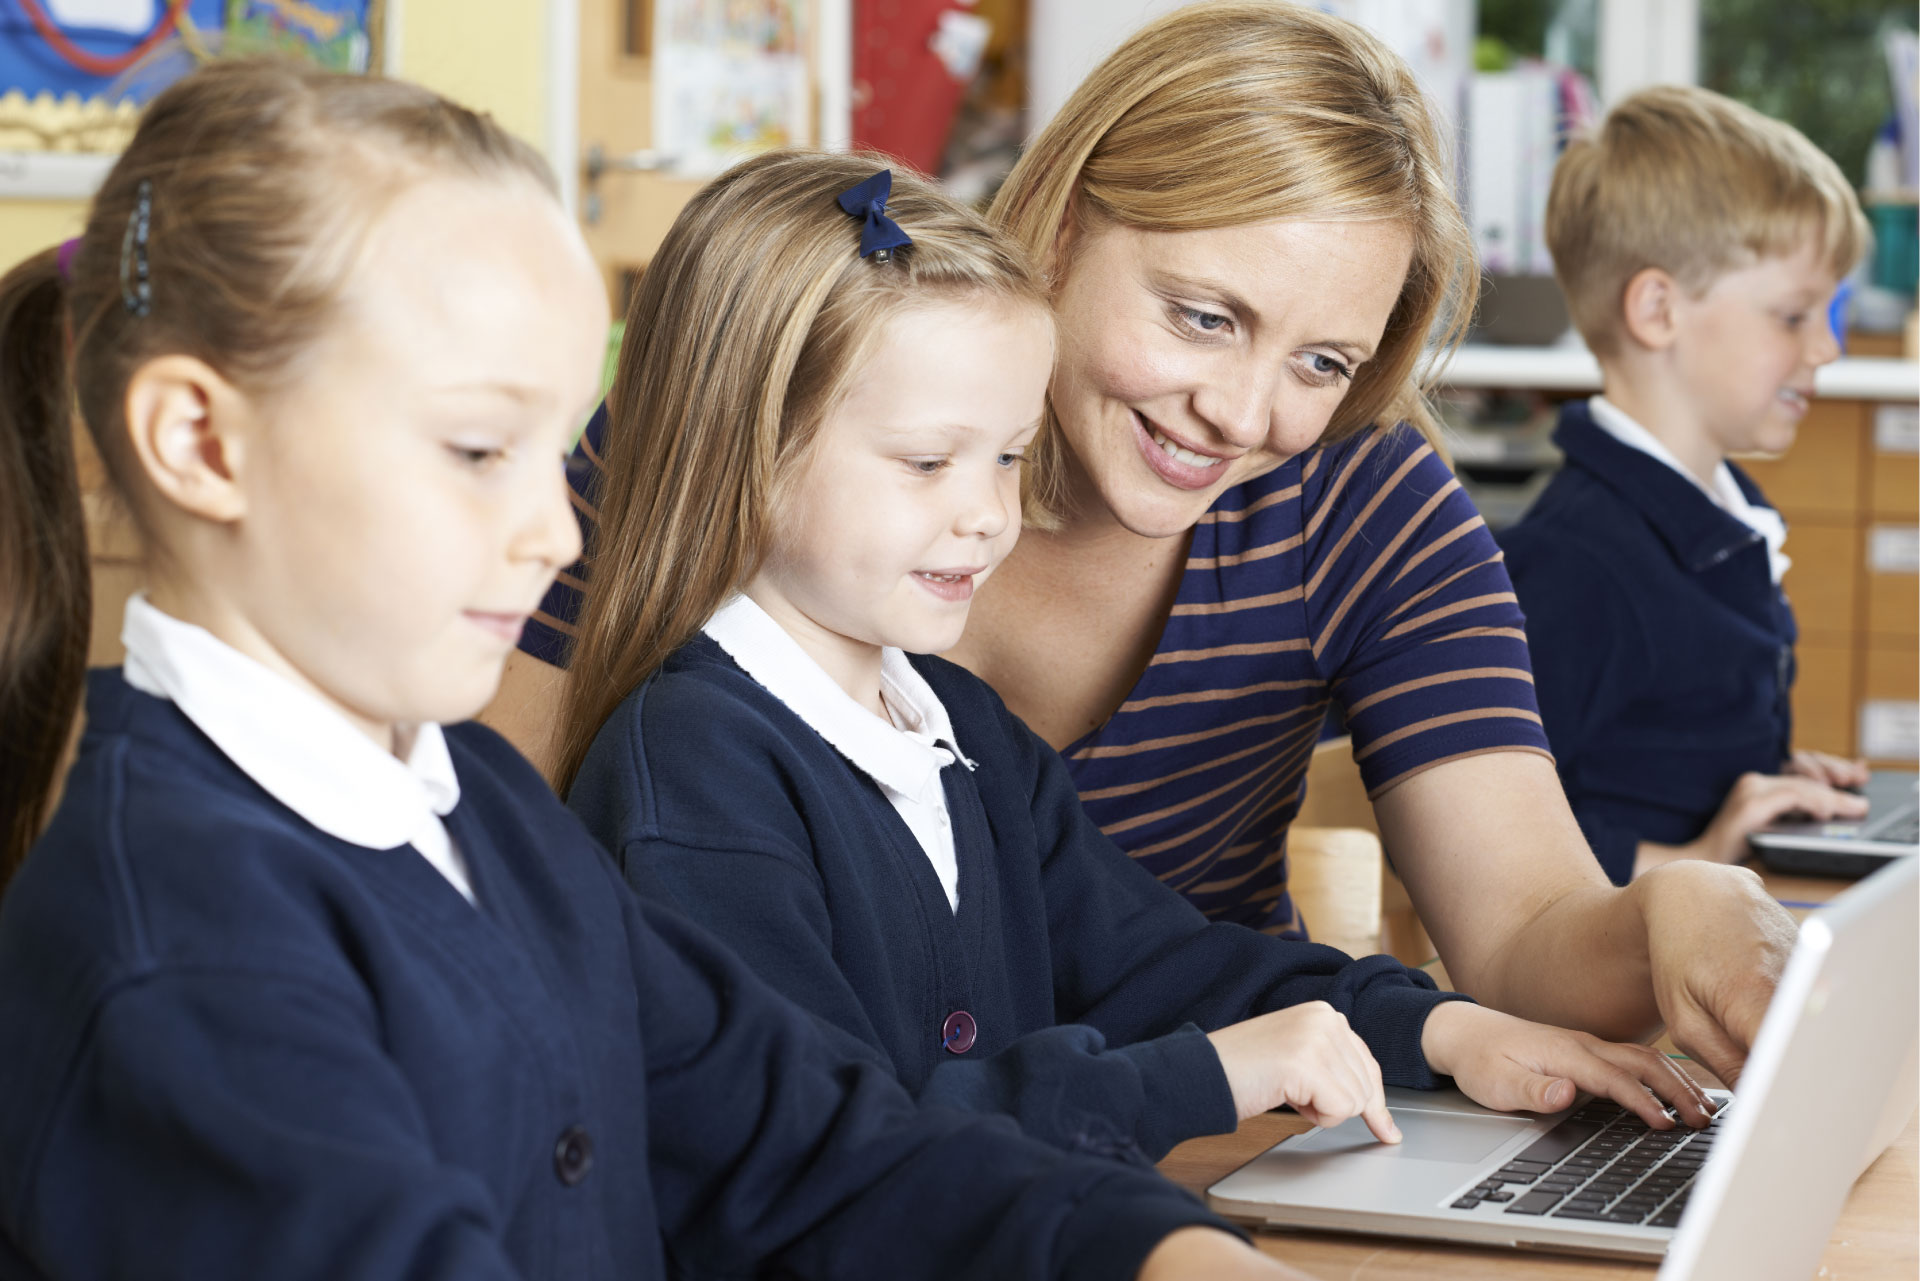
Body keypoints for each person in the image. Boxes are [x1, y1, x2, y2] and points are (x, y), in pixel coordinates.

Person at [0, 58, 1300, 1281]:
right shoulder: (175, 946)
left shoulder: (480, 813)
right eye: (474, 450)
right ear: (201, 444)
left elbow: (812, 1141)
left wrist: (1146, 1247)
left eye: (554, 448)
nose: (556, 531)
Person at [489, 0, 1799, 1086]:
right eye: (1204, 315)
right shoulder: (780, 405)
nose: (1240, 414)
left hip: (1205, 1131)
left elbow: (1515, 924)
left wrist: (1690, 902)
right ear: (1064, 225)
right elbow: (497, 846)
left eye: (1324, 360)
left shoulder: (1363, 503)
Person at [1498, 86, 1873, 886]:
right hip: (1629, 983)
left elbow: (1659, 745)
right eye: (1794, 315)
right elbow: (1487, 833)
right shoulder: (1577, 561)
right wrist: (1695, 858)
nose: (1827, 349)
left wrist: (1767, 776)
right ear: (1660, 309)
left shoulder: (1718, 522)